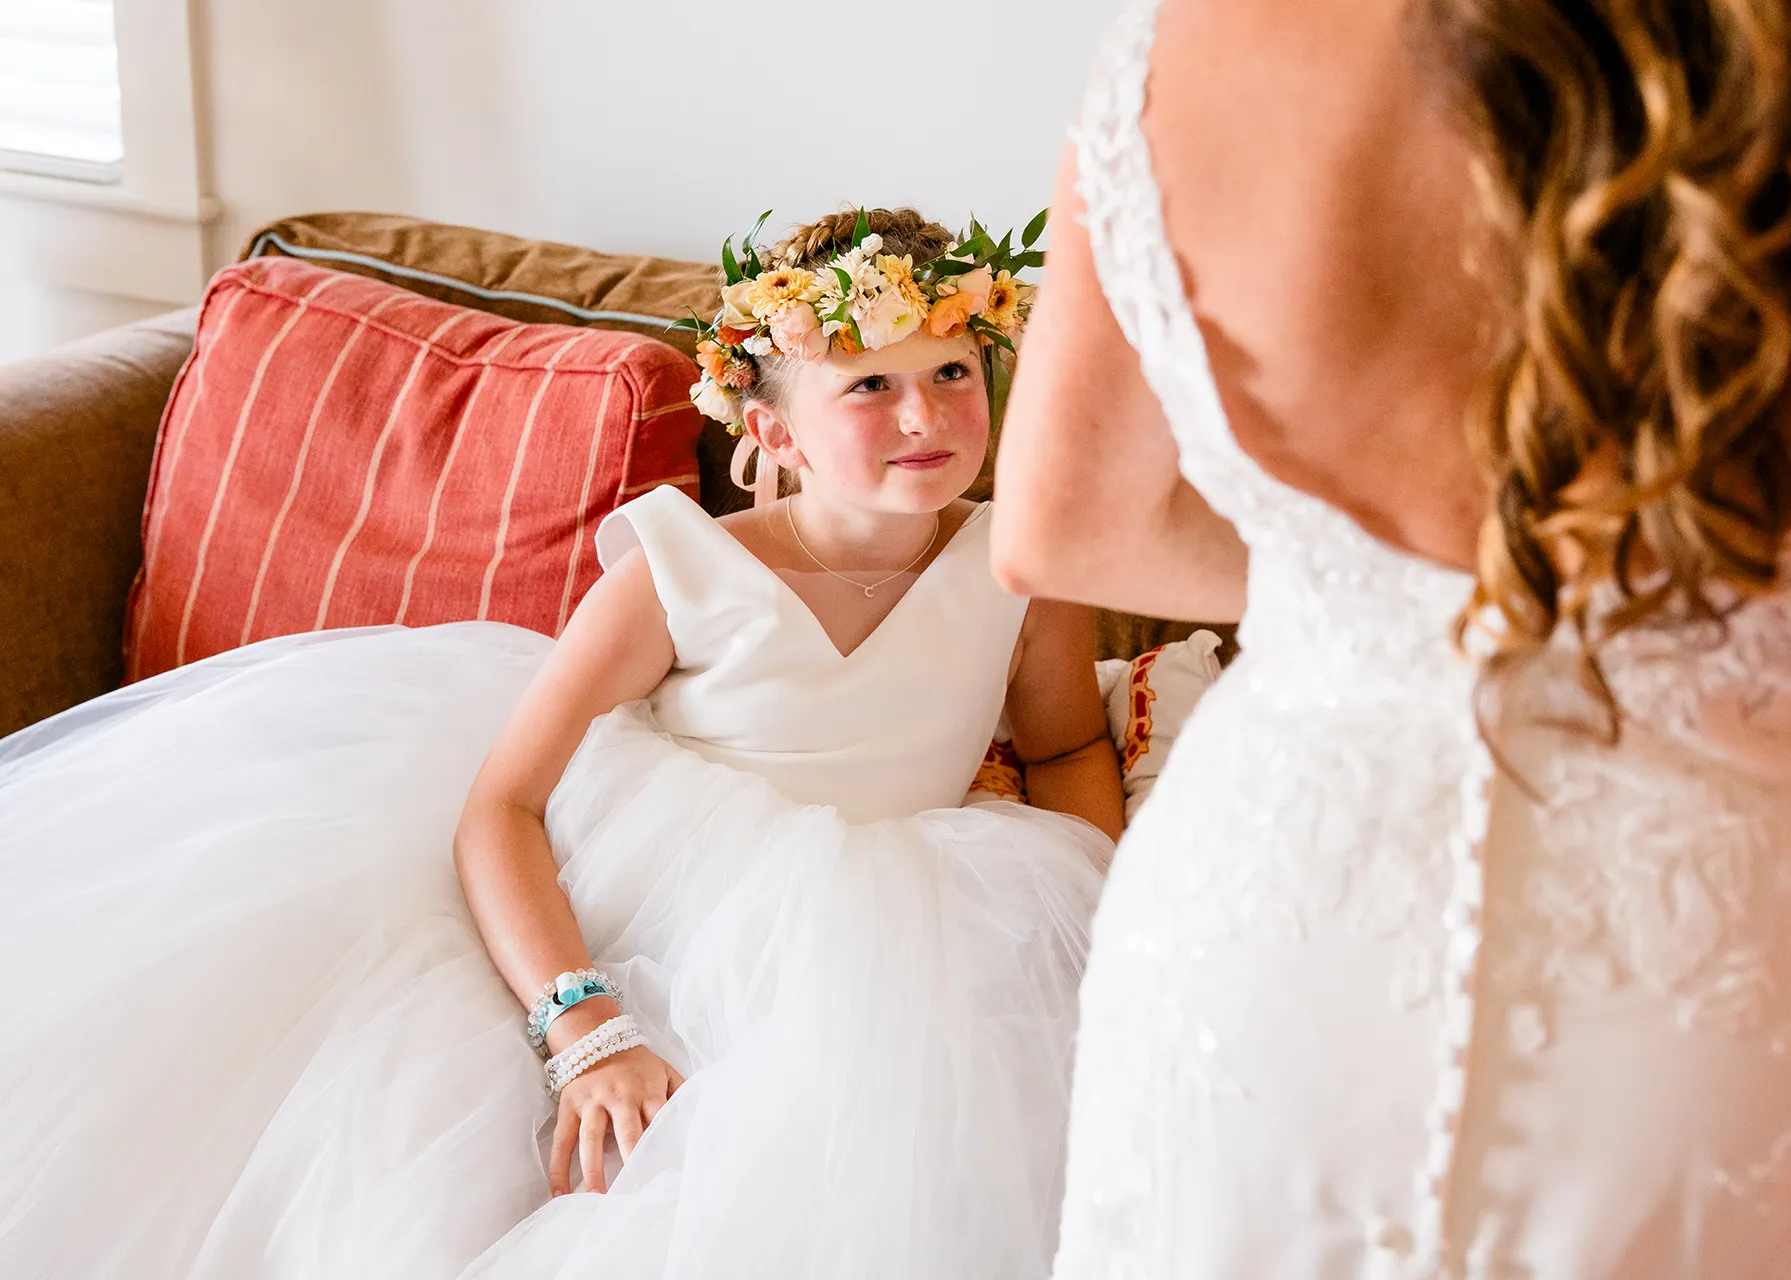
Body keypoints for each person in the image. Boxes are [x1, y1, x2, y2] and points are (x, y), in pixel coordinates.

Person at [0, 206, 1122, 1280]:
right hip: (650, 921)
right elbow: (503, 806)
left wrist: (1094, 925)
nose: (924, 417)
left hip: (894, 936)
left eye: (952, 374)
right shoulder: (681, 573)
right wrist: (583, 1024)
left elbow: (1068, 747)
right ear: (774, 429)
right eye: (870, 385)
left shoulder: (1019, 570)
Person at [989, 0, 1791, 1274]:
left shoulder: (1205, 39)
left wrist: (1366, 595)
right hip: (1750, 1011)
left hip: (1266, 956)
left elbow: (1059, 529)